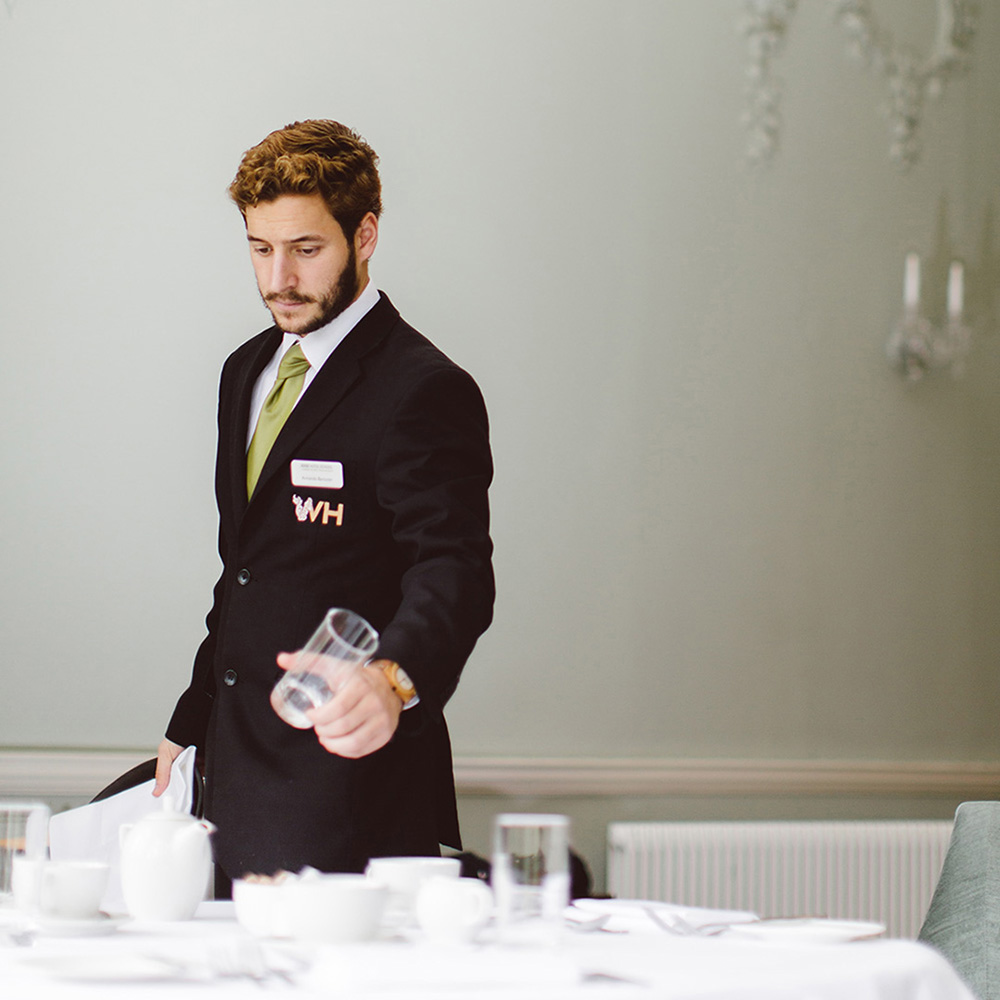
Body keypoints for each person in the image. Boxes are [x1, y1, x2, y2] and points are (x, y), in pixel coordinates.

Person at [151, 120, 494, 894]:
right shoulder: (244, 371)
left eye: (306, 249)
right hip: (230, 778)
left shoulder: (422, 387)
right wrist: (190, 719)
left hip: (351, 786)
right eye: (259, 248)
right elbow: (244, 574)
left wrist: (393, 679)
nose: (280, 278)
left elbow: (456, 568)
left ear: (364, 235)